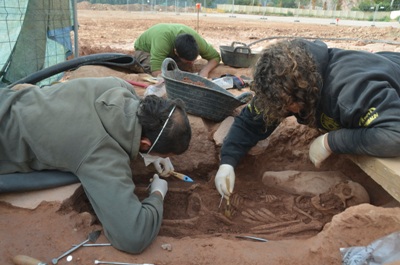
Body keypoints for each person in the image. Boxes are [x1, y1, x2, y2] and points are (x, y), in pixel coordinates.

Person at [0, 76, 192, 254]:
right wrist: (158, 193)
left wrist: (157, 154)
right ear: (145, 144)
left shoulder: (117, 86)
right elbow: (133, 236)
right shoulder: (102, 154)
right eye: (162, 153)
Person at [214, 38, 400, 198]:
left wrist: (332, 141)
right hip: (383, 65)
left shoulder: (351, 94)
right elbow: (249, 123)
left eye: (287, 106)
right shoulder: (284, 82)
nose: (283, 111)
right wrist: (227, 162)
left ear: (304, 91)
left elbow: (395, 136)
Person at [133, 23, 221, 78]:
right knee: (150, 67)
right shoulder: (162, 41)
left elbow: (215, 57)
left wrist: (204, 72)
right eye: (188, 61)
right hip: (144, 50)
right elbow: (156, 70)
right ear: (175, 52)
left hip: (168, 51)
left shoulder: (197, 41)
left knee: (184, 68)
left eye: (192, 60)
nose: (191, 63)